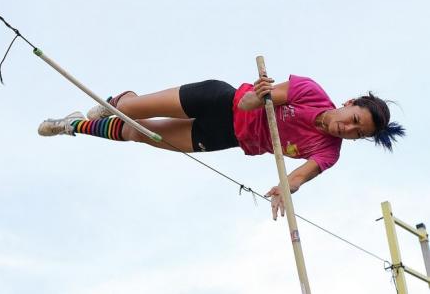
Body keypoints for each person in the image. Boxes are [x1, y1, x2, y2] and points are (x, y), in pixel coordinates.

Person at [38, 75, 405, 219]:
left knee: (139, 135)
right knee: (129, 110)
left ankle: (74, 126)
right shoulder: (309, 91)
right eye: (354, 120)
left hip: (223, 138)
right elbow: (249, 104)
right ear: (350, 102)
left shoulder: (329, 152)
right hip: (220, 101)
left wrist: (284, 189)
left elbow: (299, 176)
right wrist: (256, 100)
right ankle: (116, 102)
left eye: (358, 134)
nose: (347, 129)